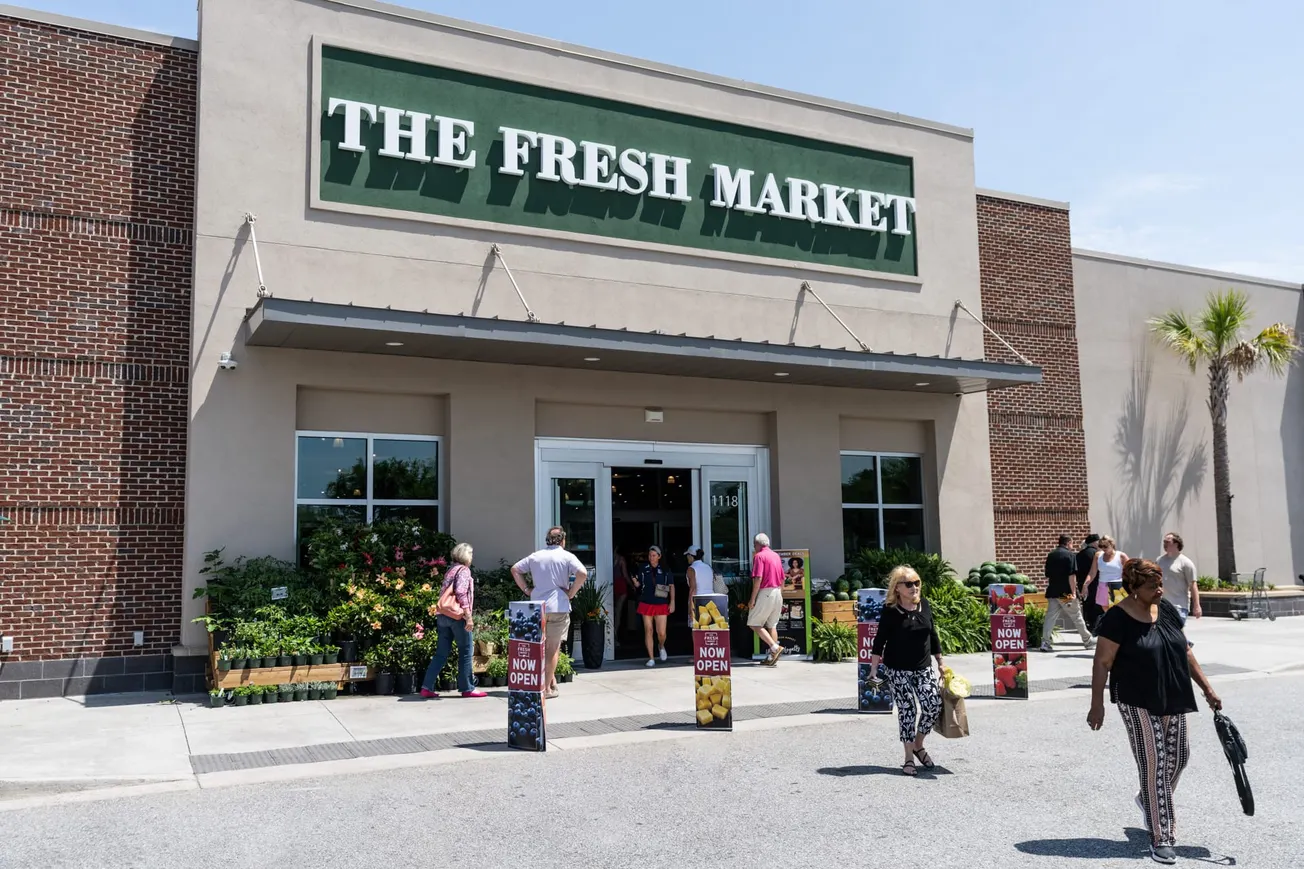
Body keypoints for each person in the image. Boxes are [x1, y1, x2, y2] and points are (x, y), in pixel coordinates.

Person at [1088, 559, 1222, 865]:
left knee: (1178, 757)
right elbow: (1102, 662)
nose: (1160, 590)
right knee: (1155, 763)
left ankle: (1147, 798)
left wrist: (1208, 690)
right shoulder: (1116, 619)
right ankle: (1162, 837)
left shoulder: (1169, 611)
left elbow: (1185, 652)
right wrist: (1096, 704)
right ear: (1133, 589)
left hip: (1172, 694)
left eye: (1160, 584)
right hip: (1135, 699)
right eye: (1152, 587)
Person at [868, 566, 944, 777]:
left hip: (923, 667)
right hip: (897, 669)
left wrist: (940, 663)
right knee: (907, 710)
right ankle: (909, 757)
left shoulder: (925, 605)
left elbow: (933, 635)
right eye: (909, 584)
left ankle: (918, 744)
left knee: (933, 705)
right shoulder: (890, 611)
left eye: (917, 582)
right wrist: (874, 668)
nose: (914, 587)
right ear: (897, 588)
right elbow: (879, 641)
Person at [511, 526, 588, 699]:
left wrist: (527, 590)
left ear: (547, 539)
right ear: (563, 540)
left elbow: (515, 569)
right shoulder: (567, 556)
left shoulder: (536, 556)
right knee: (553, 649)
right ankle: (546, 689)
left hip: (537, 605)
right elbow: (582, 573)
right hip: (558, 606)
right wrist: (571, 593)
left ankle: (550, 681)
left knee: (540, 647)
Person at [420, 542, 487, 699]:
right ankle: (467, 688)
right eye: (471, 554)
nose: (472, 557)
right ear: (466, 556)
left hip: (443, 615)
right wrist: (468, 616)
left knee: (441, 653)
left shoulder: (450, 570)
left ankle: (426, 686)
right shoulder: (463, 570)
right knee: (465, 652)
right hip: (457, 617)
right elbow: (461, 592)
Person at [1041, 534, 1095, 652]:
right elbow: (1072, 576)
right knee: (1076, 616)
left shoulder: (1051, 555)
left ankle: (1045, 642)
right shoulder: (1070, 555)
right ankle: (1088, 641)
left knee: (1050, 618)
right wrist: (1073, 592)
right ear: (1068, 542)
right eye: (1072, 543)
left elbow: (1047, 574)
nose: (1072, 545)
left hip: (1052, 592)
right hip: (1065, 593)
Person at [631, 545, 674, 666]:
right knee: (648, 630)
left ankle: (661, 646)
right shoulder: (643, 567)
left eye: (654, 555)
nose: (651, 558)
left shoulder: (665, 569)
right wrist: (635, 582)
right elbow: (639, 585)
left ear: (659, 556)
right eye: (650, 555)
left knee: (661, 633)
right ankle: (651, 658)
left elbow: (671, 585)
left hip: (661, 602)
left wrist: (672, 601)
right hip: (646, 601)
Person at [746, 533, 785, 666]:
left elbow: (758, 578)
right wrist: (781, 594)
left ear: (757, 544)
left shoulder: (759, 556)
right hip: (777, 591)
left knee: (754, 623)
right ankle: (771, 658)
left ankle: (775, 648)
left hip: (765, 592)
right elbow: (782, 578)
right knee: (772, 625)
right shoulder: (775, 556)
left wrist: (752, 599)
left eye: (754, 544)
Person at [1157, 533, 1201, 624]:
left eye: (1167, 542)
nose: (1164, 544)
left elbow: (1193, 585)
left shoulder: (1186, 563)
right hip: (1162, 605)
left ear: (1176, 544)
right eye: (1164, 542)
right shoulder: (1159, 561)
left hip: (1179, 606)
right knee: (1167, 635)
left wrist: (1197, 606)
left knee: (1175, 634)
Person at [1084, 535, 1128, 615]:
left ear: (1112, 545)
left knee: (1119, 612)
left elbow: (1130, 571)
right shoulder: (1098, 555)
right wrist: (1085, 585)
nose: (1103, 548)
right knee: (1107, 612)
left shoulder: (1121, 556)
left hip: (1117, 585)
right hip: (1103, 586)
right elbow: (1092, 572)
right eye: (1101, 546)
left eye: (1105, 546)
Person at [1077, 533, 1104, 633]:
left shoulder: (1079, 555)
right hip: (1096, 584)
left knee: (1086, 606)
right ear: (1094, 542)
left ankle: (1088, 627)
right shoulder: (1098, 554)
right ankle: (1096, 627)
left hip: (1083, 585)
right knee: (1097, 607)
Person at [612, 546, 632, 641]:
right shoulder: (621, 559)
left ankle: (613, 635)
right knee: (618, 612)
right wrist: (632, 585)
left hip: (612, 585)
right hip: (620, 585)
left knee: (613, 610)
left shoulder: (607, 558)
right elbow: (625, 575)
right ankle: (615, 635)